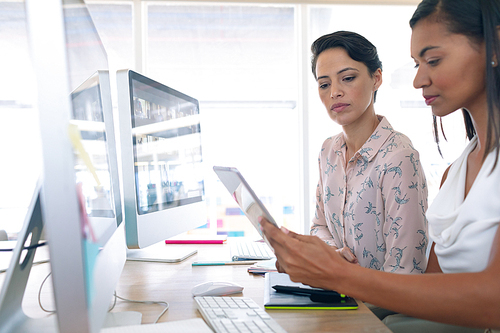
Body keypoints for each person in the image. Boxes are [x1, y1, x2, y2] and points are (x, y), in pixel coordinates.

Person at [260, 0, 500, 332]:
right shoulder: (455, 172)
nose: (417, 81)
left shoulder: (399, 155)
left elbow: (489, 299)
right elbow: (428, 292)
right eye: (417, 64)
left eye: (433, 60)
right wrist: (323, 265)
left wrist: (339, 274)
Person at [307, 31, 428, 281]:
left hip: (382, 309)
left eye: (348, 78)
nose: (335, 93)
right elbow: (319, 227)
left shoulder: (399, 158)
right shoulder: (328, 151)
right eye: (324, 84)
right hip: (339, 293)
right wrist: (332, 255)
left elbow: (406, 272)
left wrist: (344, 275)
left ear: (376, 78)